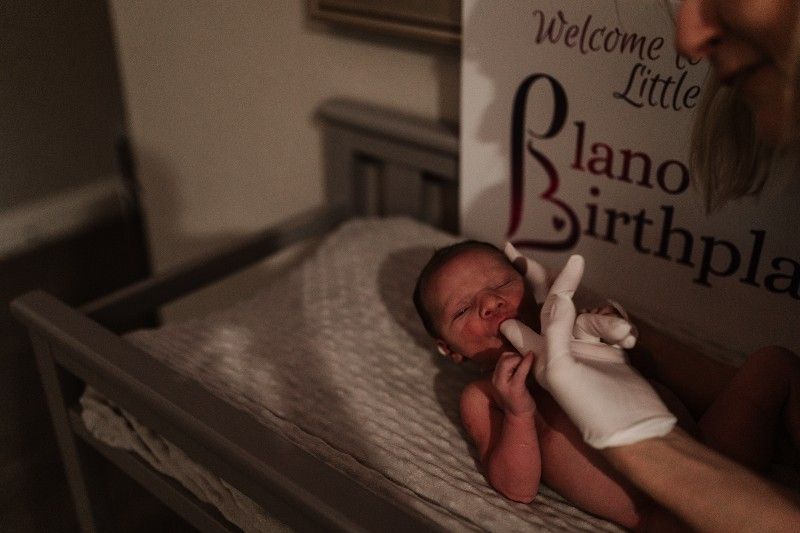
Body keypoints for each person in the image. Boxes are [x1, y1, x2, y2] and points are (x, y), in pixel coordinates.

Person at [412, 241, 800, 530]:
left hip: (710, 454)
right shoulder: (485, 397)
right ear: (449, 349)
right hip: (663, 513)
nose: (490, 303)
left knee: (773, 363)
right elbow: (517, 488)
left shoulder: (574, 329)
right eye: (462, 309)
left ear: (529, 285)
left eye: (501, 282)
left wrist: (616, 328)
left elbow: (646, 366)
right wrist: (519, 414)